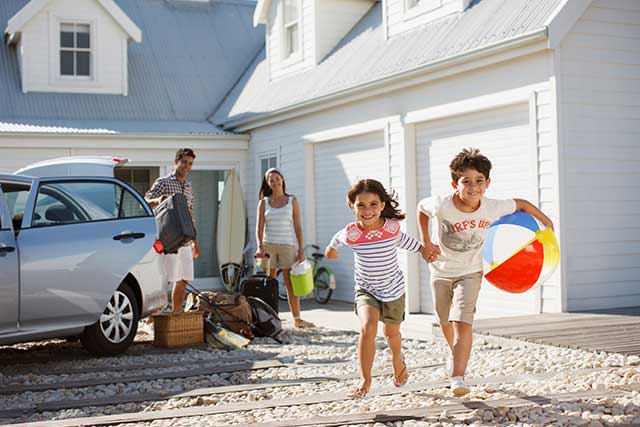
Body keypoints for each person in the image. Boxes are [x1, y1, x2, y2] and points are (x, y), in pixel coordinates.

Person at [417, 148, 553, 396]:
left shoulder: (492, 207)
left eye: (479, 181)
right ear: (454, 184)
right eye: (466, 181)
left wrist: (547, 222)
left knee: (462, 320)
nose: (473, 187)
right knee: (445, 320)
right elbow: (421, 210)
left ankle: (458, 376)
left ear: (487, 183)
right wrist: (426, 242)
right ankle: (454, 354)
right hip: (440, 271)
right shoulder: (441, 204)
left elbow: (522, 204)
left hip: (471, 271)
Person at [325, 179, 429, 398]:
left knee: (392, 334)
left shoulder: (391, 228)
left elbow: (406, 242)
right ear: (352, 207)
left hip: (393, 289)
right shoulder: (352, 233)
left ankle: (397, 360)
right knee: (368, 326)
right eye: (360, 205)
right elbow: (336, 240)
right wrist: (330, 250)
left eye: (373, 204)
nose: (367, 210)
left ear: (382, 205)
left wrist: (424, 250)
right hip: (366, 289)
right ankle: (365, 381)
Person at [255, 168, 314, 328]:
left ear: (282, 179)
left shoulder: (292, 200)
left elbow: (298, 226)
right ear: (267, 183)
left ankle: (297, 319)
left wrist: (301, 249)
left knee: (290, 284)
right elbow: (259, 227)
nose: (275, 182)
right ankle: (273, 318)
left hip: (288, 245)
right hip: (268, 246)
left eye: (277, 178)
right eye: (271, 180)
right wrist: (260, 246)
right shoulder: (264, 202)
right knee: (270, 285)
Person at [145, 148, 200, 313]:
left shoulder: (189, 187)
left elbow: (190, 214)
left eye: (190, 163)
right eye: (184, 162)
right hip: (169, 239)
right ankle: (153, 316)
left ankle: (176, 313)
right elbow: (145, 200)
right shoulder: (163, 182)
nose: (187, 166)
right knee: (165, 279)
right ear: (176, 162)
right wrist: (158, 199)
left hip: (185, 240)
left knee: (184, 278)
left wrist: (195, 242)